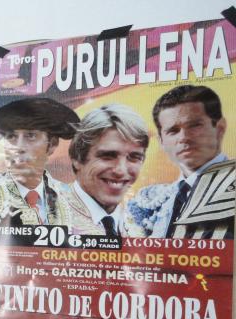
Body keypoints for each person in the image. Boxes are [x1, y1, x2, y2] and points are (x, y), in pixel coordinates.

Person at [127, 85, 234, 239]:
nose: (184, 137)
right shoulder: (151, 202)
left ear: (220, 128)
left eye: (195, 125)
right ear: (162, 141)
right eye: (173, 131)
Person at [0, 97, 79, 228]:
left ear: (52, 144)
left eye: (30, 136)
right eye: (11, 136)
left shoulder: (71, 199)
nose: (19, 147)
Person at [64, 104, 149, 236]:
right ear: (77, 159)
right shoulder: (44, 215)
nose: (121, 171)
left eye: (134, 157)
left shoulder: (146, 224)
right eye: (108, 156)